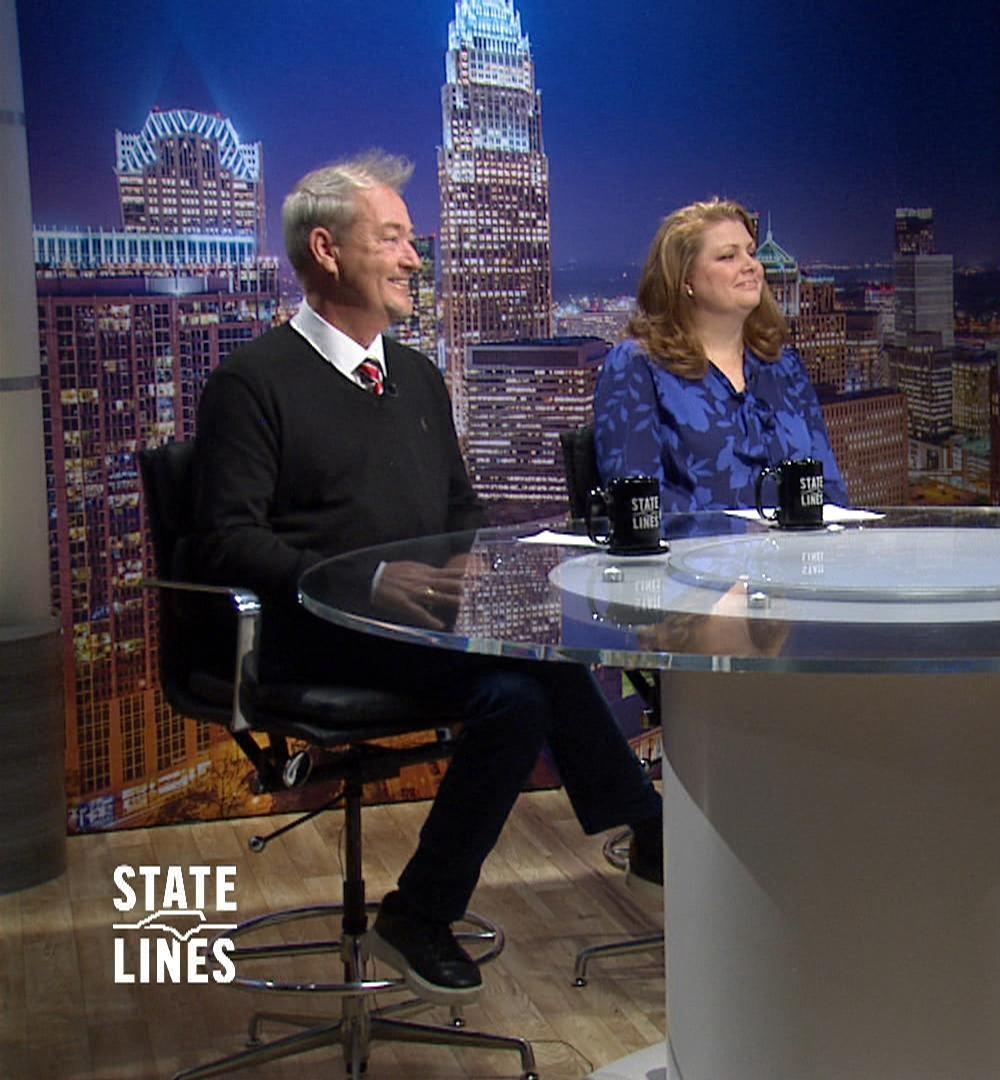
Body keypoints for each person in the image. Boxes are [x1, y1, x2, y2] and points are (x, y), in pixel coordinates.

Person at [191, 151, 665, 1006]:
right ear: (328, 250)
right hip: (315, 637)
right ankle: (643, 831)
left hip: (419, 633)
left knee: (528, 675)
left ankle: (427, 909)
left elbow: (459, 508)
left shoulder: (416, 376)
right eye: (394, 239)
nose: (417, 258)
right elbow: (225, 543)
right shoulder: (251, 382)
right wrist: (369, 583)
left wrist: (472, 565)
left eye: (413, 240)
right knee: (520, 684)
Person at [594, 198, 848, 510]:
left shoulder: (784, 366)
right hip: (692, 544)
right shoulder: (638, 366)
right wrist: (745, 532)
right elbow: (640, 505)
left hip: (797, 544)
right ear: (685, 280)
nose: (751, 266)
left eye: (751, 253)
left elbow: (830, 490)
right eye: (728, 256)